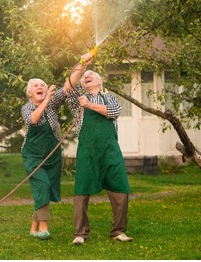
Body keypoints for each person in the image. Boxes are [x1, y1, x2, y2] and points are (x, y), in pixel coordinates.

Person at [21, 53, 93, 240]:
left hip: (52, 154)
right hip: (33, 155)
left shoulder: (52, 102)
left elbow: (69, 85)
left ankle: (33, 227)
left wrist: (82, 65)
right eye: (36, 86)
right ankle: (43, 227)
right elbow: (33, 120)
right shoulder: (27, 108)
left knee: (46, 188)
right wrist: (46, 100)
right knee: (42, 185)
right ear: (30, 93)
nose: (40, 87)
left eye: (43, 85)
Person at [65, 69, 133, 244]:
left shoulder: (109, 98)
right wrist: (82, 65)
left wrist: (89, 105)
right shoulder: (77, 100)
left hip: (110, 149)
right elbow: (69, 85)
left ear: (99, 81)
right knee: (82, 188)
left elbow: (114, 111)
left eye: (90, 74)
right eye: (84, 77)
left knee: (120, 186)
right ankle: (80, 233)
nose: (86, 76)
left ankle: (118, 231)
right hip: (87, 150)